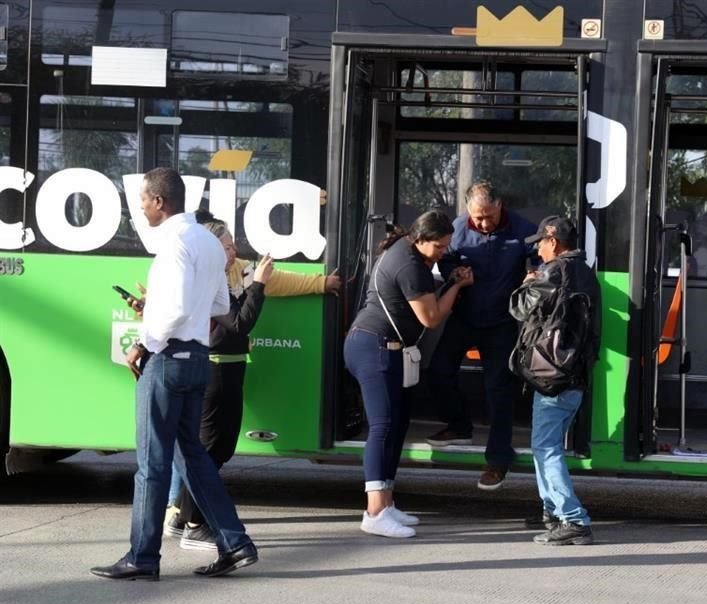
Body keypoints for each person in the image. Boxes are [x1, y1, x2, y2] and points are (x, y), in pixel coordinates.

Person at [90, 168, 258, 580]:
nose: (141, 208)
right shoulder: (208, 242)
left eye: (144, 200)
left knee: (152, 462)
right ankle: (235, 544)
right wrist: (173, 314)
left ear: (160, 202)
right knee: (193, 457)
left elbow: (179, 306)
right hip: (198, 359)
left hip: (167, 360)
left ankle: (142, 557)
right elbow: (219, 303)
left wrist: (144, 342)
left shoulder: (173, 243)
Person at [165, 214, 342, 549]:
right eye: (227, 246)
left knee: (216, 449)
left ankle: (180, 517)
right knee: (210, 450)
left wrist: (317, 283)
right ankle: (192, 523)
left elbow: (279, 283)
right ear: (210, 247)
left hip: (229, 368)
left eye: (233, 246)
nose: (233, 252)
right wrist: (258, 284)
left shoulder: (229, 272)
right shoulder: (206, 277)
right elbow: (238, 324)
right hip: (215, 369)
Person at [345, 210, 474, 538]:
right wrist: (457, 286)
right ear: (421, 239)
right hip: (375, 347)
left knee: (398, 422)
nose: (443, 252)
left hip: (385, 347)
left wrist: (448, 281)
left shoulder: (407, 251)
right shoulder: (410, 264)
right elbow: (431, 317)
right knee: (383, 426)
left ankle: (386, 503)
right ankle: (374, 511)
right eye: (440, 247)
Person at [425, 181, 538, 491]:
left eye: (488, 216)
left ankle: (498, 460)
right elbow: (441, 260)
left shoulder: (523, 228)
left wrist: (534, 273)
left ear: (499, 204)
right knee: (438, 371)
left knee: (498, 390)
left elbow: (542, 255)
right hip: (464, 316)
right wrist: (454, 274)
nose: (483, 223)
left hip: (502, 321)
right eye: (478, 217)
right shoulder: (457, 228)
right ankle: (459, 425)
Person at [511, 216, 600, 545]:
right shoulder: (586, 273)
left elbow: (520, 309)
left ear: (555, 241)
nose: (538, 248)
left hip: (553, 375)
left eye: (541, 242)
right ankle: (554, 513)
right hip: (573, 373)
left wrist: (527, 283)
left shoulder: (554, 271)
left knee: (546, 448)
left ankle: (574, 518)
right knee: (544, 446)